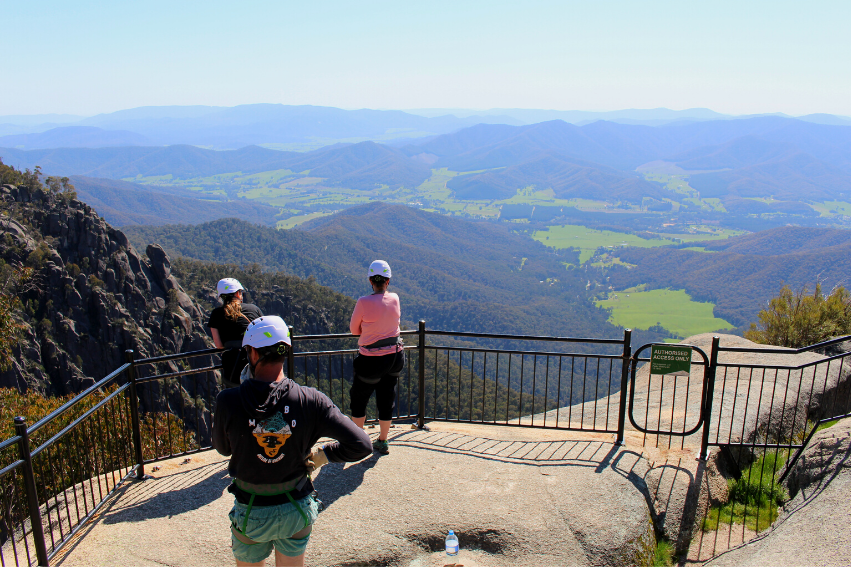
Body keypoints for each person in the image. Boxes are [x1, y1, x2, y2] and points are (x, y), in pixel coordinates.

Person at [213, 316, 372, 567]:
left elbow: (223, 449)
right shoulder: (311, 400)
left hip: (251, 510)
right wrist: (323, 455)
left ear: (252, 353)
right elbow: (362, 443)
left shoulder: (228, 400)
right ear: (285, 351)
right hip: (295, 507)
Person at [348, 260, 404, 455]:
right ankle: (383, 440)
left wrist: (369, 330)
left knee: (359, 399)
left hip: (371, 361)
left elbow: (354, 330)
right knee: (386, 398)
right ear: (387, 281)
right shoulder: (395, 298)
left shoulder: (363, 302)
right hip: (395, 358)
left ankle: (358, 442)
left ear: (371, 281)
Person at [208, 278, 263, 388]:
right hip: (254, 361)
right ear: (238, 293)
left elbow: (219, 345)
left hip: (232, 365)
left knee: (235, 399)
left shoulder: (216, 314)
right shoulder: (253, 309)